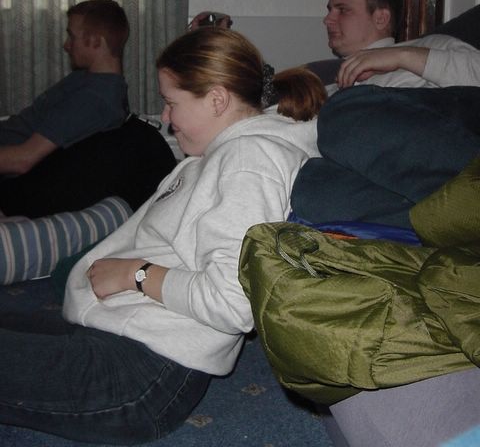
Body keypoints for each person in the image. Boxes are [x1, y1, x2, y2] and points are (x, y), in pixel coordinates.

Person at [0, 28, 326, 444]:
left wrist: (135, 273)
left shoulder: (249, 160)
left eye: (171, 103)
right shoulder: (228, 153)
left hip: (140, 373)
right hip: (125, 334)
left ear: (217, 99)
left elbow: (233, 303)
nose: (166, 119)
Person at [0, 0, 130, 176]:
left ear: (96, 41)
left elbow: (23, 159)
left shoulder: (93, 99)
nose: (66, 45)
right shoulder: (87, 78)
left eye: (72, 36)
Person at [323, 0, 480, 93]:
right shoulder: (328, 90)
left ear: (381, 18)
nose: (327, 20)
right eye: (330, 10)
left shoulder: (433, 45)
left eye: (343, 10)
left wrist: (400, 56)